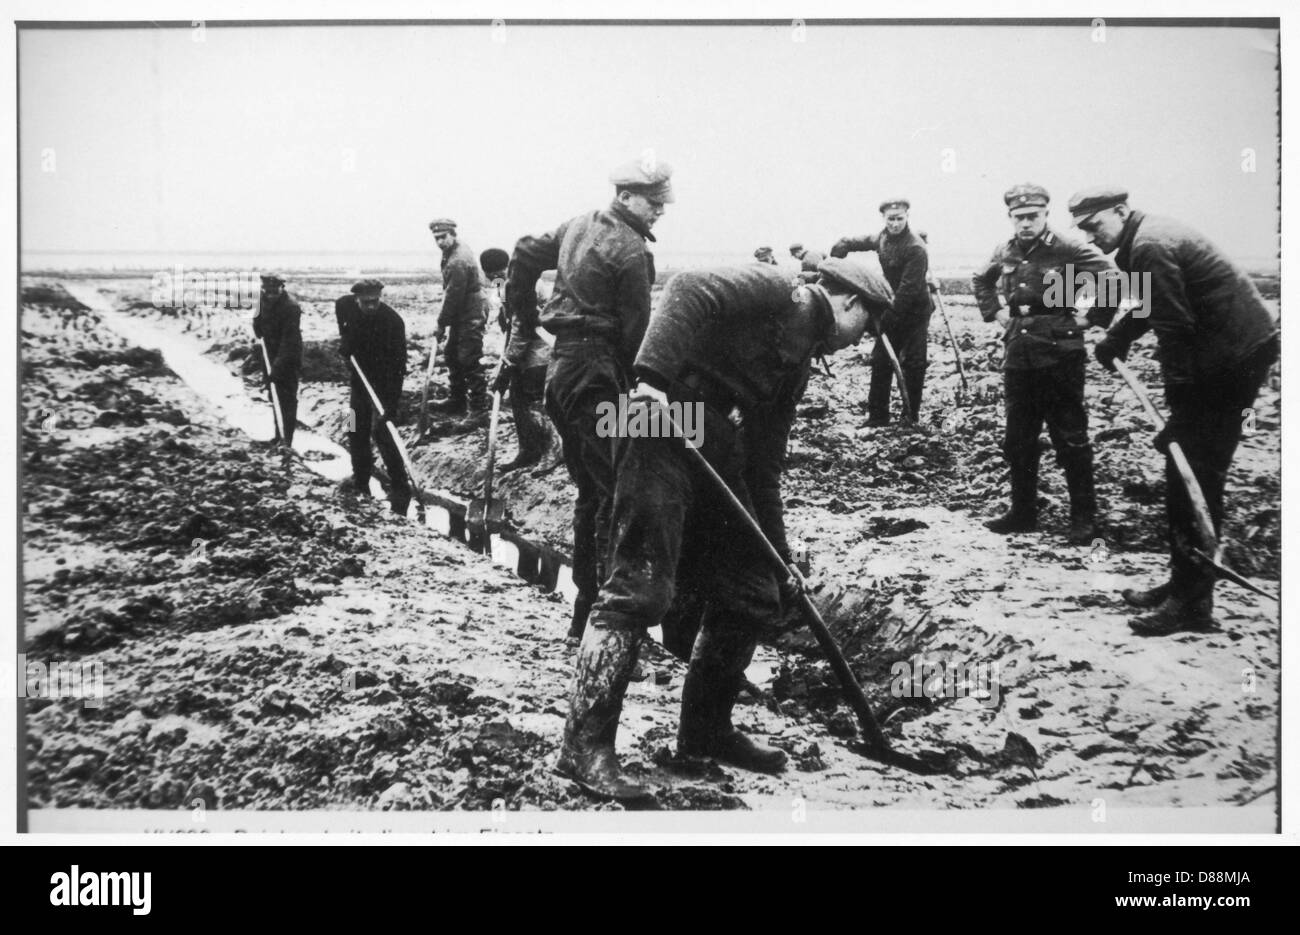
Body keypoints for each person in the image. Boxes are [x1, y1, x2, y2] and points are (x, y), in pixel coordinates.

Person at [557, 258, 893, 801]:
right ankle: (582, 748)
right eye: (869, 328)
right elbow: (690, 285)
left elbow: (764, 466)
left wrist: (780, 559)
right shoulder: (779, 290)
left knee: (753, 590)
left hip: (715, 448)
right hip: (654, 421)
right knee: (642, 588)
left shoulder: (801, 361)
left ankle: (705, 732)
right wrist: (650, 382)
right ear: (851, 302)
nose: (862, 342)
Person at [1070, 186, 1280, 635]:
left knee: (1194, 472)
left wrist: (1181, 409)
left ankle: (1192, 605)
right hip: (1226, 353)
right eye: (1082, 229)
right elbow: (1153, 301)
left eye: (1094, 225)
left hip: (1233, 359)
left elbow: (1175, 326)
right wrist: (1120, 335)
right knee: (1183, 468)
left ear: (1121, 211)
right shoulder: (1140, 240)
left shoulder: (1149, 244)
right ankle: (1184, 583)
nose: (1089, 237)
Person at [507, 157, 673, 641]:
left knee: (590, 492)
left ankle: (584, 617)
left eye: (663, 201)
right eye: (653, 201)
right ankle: (605, 621)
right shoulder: (632, 252)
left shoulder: (577, 224)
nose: (660, 210)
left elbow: (521, 251)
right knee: (612, 495)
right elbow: (637, 337)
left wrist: (525, 316)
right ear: (625, 197)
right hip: (598, 376)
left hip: (561, 373)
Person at [972, 183, 1121, 544]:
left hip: (1060, 355)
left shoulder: (1067, 248)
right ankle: (1023, 513)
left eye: (1032, 216)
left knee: (1069, 437)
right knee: (1018, 439)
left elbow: (1113, 277)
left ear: (1045, 216)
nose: (1026, 223)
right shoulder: (1004, 250)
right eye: (1019, 217)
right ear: (1010, 217)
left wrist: (1093, 319)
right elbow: (981, 279)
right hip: (1018, 355)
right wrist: (996, 314)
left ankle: (1083, 519)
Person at [831, 198, 935, 424]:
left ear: (907, 216)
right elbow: (862, 241)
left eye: (899, 219)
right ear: (884, 219)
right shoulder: (883, 237)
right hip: (892, 305)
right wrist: (843, 245)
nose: (895, 224)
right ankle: (878, 416)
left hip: (915, 311)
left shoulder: (916, 247)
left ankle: (910, 416)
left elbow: (909, 289)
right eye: (891, 219)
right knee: (880, 360)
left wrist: (889, 316)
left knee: (914, 363)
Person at [335, 279, 412, 515]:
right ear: (356, 299)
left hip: (384, 381)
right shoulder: (344, 305)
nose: (371, 306)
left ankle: (400, 486)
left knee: (382, 432)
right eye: (366, 302)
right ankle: (360, 479)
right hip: (359, 380)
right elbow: (341, 315)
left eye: (375, 301)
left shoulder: (392, 322)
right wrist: (345, 340)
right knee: (352, 424)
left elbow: (400, 365)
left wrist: (391, 404)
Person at [482, 247, 553, 472]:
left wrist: (508, 364)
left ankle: (552, 450)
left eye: (499, 273)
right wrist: (507, 359)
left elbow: (522, 328)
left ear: (509, 267)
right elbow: (508, 320)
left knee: (534, 400)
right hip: (523, 347)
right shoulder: (501, 285)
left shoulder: (522, 284)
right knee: (518, 398)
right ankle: (529, 451)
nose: (497, 279)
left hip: (540, 347)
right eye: (491, 276)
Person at [428, 218, 490, 430]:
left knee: (469, 358)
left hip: (471, 310)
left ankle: (479, 411)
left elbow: (453, 296)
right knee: (452, 354)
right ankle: (457, 399)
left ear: (453, 234)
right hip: (463, 308)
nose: (440, 242)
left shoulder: (458, 260)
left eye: (443, 237)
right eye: (436, 238)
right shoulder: (451, 252)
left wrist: (441, 324)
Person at [252, 272, 303, 447]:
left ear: (282, 288)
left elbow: (289, 341)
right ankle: (277, 436)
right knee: (273, 395)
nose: (271, 294)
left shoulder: (291, 307)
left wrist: (278, 367)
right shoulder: (261, 297)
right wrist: (258, 332)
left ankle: (286, 441)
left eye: (275, 290)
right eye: (267, 290)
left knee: (286, 398)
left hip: (288, 356)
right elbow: (256, 320)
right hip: (269, 352)